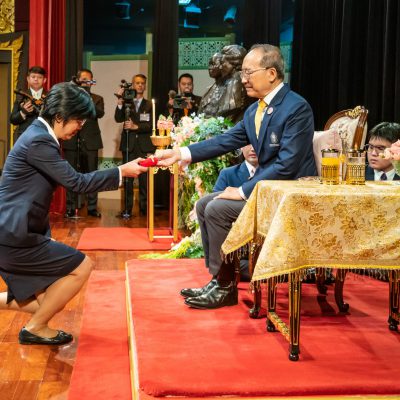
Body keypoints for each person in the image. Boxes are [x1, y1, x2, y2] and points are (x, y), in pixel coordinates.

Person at [157, 44, 316, 310]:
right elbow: (225, 140)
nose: (243, 79)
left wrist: (243, 191)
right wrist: (182, 152)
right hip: (267, 190)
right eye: (242, 73)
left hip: (288, 195)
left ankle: (225, 288)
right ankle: (219, 278)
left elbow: (287, 165)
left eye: (248, 72)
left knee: (218, 208)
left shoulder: (296, 108)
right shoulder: (254, 111)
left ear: (271, 74)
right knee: (204, 204)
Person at [0, 82, 147, 345]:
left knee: (47, 303)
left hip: (17, 230)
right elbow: (77, 182)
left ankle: (37, 322)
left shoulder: (40, 135)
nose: (80, 126)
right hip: (13, 234)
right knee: (82, 266)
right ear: (59, 117)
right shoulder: (39, 140)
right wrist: (121, 171)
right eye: (78, 120)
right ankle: (35, 328)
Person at [213, 144, 259, 281]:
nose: (253, 149)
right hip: (236, 249)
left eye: (257, 143)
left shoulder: (273, 174)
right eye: (248, 144)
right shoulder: (227, 174)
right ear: (241, 147)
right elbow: (215, 211)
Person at [63, 69, 105, 218]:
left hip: (91, 142)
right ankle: (70, 207)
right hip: (72, 140)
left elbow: (99, 113)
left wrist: (87, 97)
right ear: (78, 80)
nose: (86, 82)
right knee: (71, 175)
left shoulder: (97, 98)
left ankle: (92, 207)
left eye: (89, 79)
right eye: (84, 79)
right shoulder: (70, 98)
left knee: (92, 175)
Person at [114, 74, 154, 217]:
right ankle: (127, 209)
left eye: (142, 83)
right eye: (137, 83)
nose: (140, 85)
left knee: (144, 180)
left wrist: (136, 127)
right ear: (132, 85)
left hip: (144, 146)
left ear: (145, 85)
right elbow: (118, 118)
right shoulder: (127, 102)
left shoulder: (149, 104)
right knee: (128, 179)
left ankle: (145, 209)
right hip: (128, 145)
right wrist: (120, 102)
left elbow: (151, 125)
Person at [199, 45, 249, 123]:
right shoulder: (226, 81)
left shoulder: (237, 80)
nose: (220, 67)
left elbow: (230, 108)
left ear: (233, 64)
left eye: (222, 63)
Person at [10, 66, 47, 144]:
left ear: (44, 80)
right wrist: (23, 112)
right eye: (33, 77)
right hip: (24, 138)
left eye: (39, 77)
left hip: (44, 137)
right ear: (28, 79)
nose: (36, 79)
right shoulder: (21, 95)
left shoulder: (50, 96)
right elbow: (13, 119)